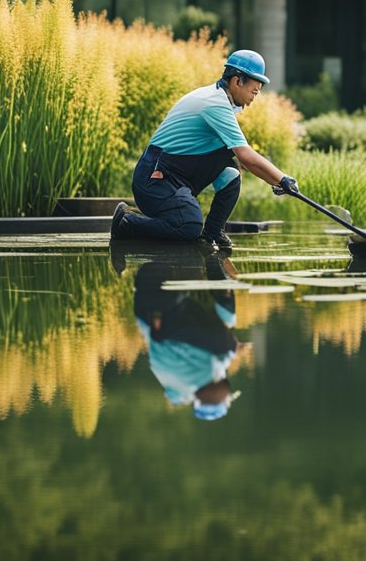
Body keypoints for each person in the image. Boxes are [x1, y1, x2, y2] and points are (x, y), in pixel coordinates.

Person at [111, 49, 299, 251]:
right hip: (154, 179)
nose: (255, 97)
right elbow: (246, 155)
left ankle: (212, 233)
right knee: (189, 225)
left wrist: (276, 181)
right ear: (237, 81)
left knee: (231, 172)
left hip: (176, 174)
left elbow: (240, 159)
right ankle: (126, 222)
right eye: (254, 91)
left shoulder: (219, 99)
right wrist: (282, 179)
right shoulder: (214, 103)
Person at [132, 250, 248, 422]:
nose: (229, 397)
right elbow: (174, 397)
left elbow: (226, 349)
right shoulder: (181, 390)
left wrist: (235, 349)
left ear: (214, 399)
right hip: (146, 303)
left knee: (227, 327)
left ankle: (214, 260)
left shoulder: (209, 373)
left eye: (226, 400)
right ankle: (208, 262)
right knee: (222, 337)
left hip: (165, 307)